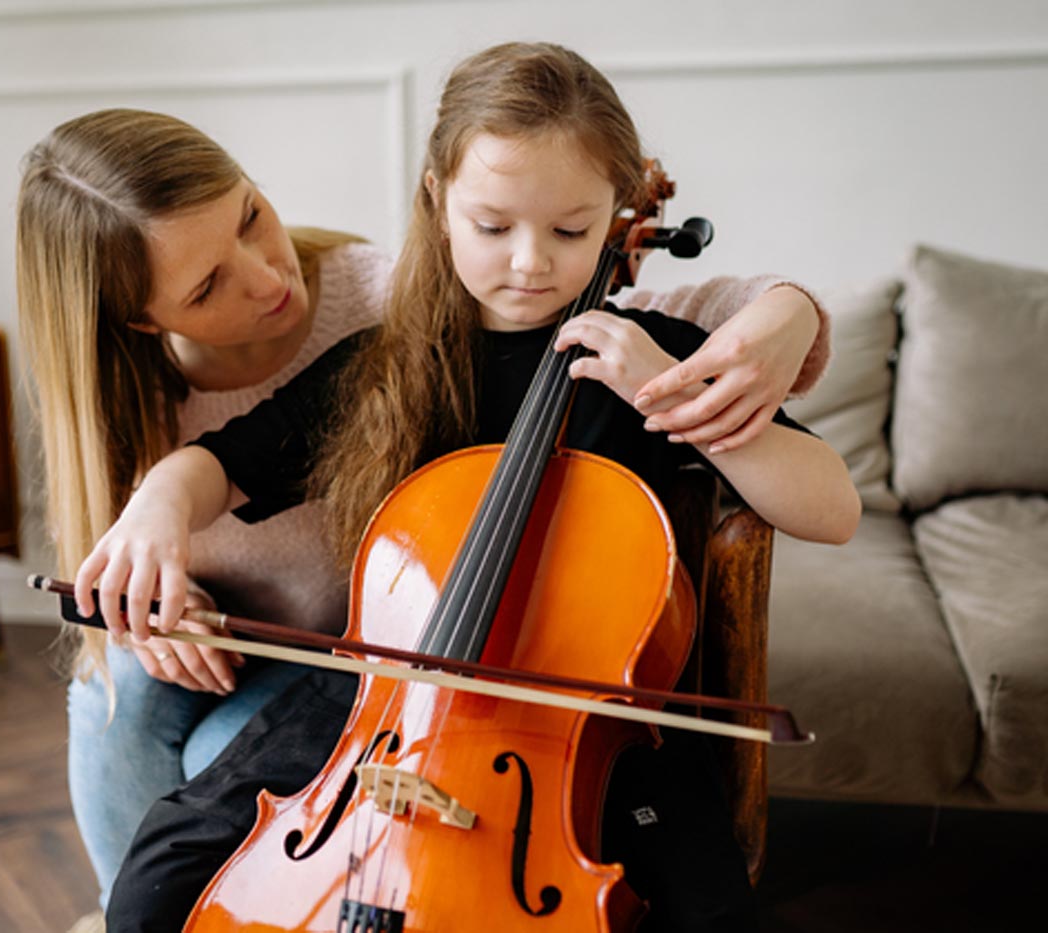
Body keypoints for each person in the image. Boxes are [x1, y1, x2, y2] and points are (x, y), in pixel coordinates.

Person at [74, 42, 859, 932]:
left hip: (593, 725)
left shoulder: (648, 356)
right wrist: (161, 505)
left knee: (707, 908)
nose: (531, 263)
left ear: (617, 218)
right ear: (438, 202)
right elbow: (218, 461)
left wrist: (666, 396)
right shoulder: (384, 365)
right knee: (162, 864)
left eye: (569, 230)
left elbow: (832, 507)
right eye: (493, 227)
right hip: (384, 692)